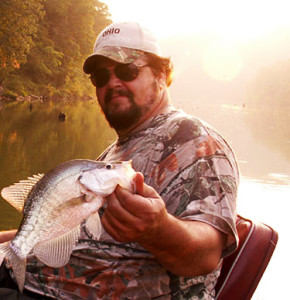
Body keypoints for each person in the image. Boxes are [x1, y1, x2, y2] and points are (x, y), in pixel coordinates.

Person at [0, 21, 239, 299]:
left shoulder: (195, 140)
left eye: (128, 70)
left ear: (161, 75)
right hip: (31, 280)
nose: (113, 82)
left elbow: (207, 255)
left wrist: (157, 229)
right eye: (101, 77)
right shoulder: (112, 155)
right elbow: (56, 230)